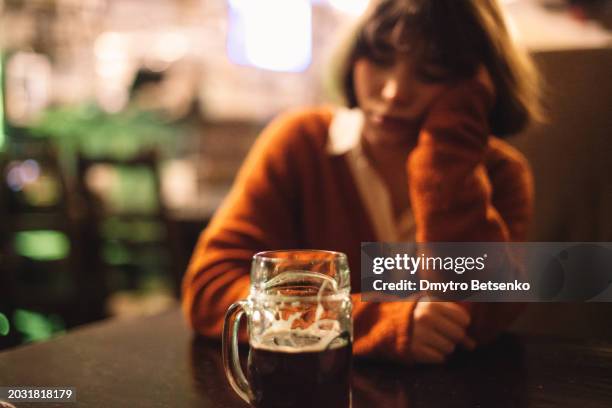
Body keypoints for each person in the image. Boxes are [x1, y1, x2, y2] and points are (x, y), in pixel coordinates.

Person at [182, 0, 543, 365]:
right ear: (354, 56)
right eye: (380, 58)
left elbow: (482, 317)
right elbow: (210, 290)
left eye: (432, 72)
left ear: (476, 88)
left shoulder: (501, 174)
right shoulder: (300, 143)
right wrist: (376, 323)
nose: (393, 92)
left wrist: (447, 161)